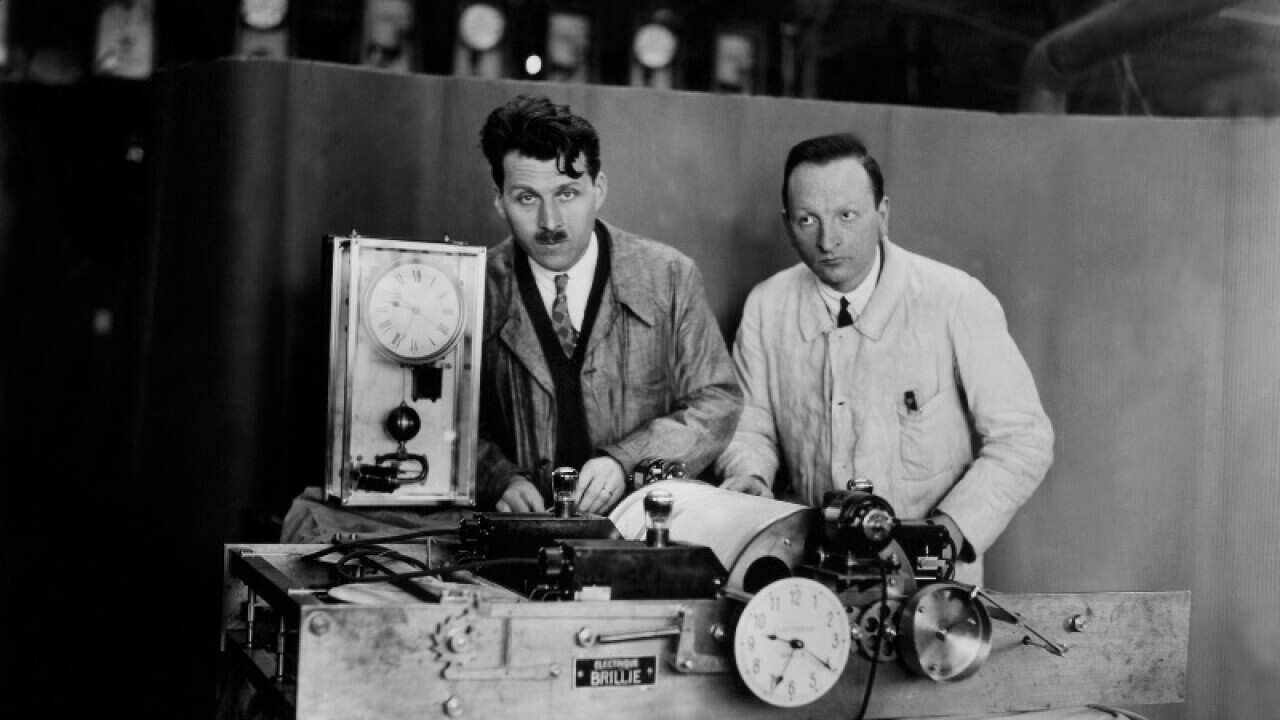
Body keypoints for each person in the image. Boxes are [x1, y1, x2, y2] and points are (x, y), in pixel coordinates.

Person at [715, 133, 1054, 585]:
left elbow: (1024, 439)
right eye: (807, 220)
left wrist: (947, 532)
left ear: (883, 214)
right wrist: (750, 477)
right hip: (810, 574)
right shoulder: (766, 306)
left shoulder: (955, 300)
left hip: (932, 585)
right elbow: (749, 427)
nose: (828, 240)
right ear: (787, 225)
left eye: (847, 215)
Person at [476, 94, 742, 515]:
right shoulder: (473, 288)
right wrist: (496, 478)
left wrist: (627, 461)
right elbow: (444, 422)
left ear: (598, 189)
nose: (550, 221)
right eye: (527, 198)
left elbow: (717, 401)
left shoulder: (669, 276)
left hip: (641, 525)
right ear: (498, 200)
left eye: (567, 193)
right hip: (517, 531)